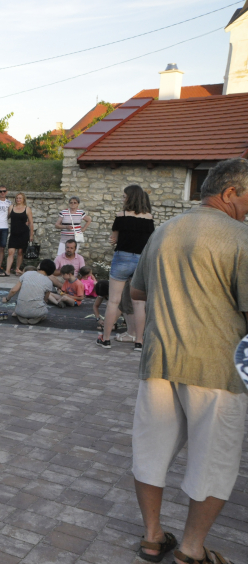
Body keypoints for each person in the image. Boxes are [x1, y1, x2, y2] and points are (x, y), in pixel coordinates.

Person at [129, 158, 248, 564]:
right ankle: (191, 550)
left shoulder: (165, 230)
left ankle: (151, 537)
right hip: (217, 367)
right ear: (230, 193)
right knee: (214, 460)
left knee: (150, 452)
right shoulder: (240, 237)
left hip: (159, 359)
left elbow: (138, 293)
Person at [98, 185, 154, 351]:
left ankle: (106, 339)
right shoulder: (149, 218)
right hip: (140, 259)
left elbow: (114, 239)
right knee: (138, 303)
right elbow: (150, 241)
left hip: (122, 257)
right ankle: (139, 341)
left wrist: (114, 240)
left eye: (124, 196)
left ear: (130, 197)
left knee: (113, 301)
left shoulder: (121, 216)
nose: (123, 199)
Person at [1, 259, 58, 325]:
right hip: (36, 312)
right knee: (45, 311)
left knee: (20, 308)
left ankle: (21, 317)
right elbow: (45, 299)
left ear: (40, 266)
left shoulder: (27, 274)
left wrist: (7, 299)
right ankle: (36, 318)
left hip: (20, 311)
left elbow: (14, 290)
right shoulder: (49, 282)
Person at [92, 280, 136, 344]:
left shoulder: (118, 290)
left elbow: (120, 306)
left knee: (112, 304)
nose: (105, 297)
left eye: (106, 296)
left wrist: (111, 323)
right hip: (125, 307)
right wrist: (98, 319)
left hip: (129, 307)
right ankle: (114, 323)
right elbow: (95, 306)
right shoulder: (103, 290)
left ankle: (116, 323)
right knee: (111, 304)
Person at [4, 192, 33, 277]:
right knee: (10, 252)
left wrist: (31, 235)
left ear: (23, 199)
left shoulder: (27, 209)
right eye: (17, 198)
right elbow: (6, 217)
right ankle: (7, 271)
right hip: (14, 233)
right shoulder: (11, 207)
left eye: (20, 198)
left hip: (23, 233)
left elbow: (31, 223)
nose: (18, 200)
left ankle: (17, 269)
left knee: (20, 252)